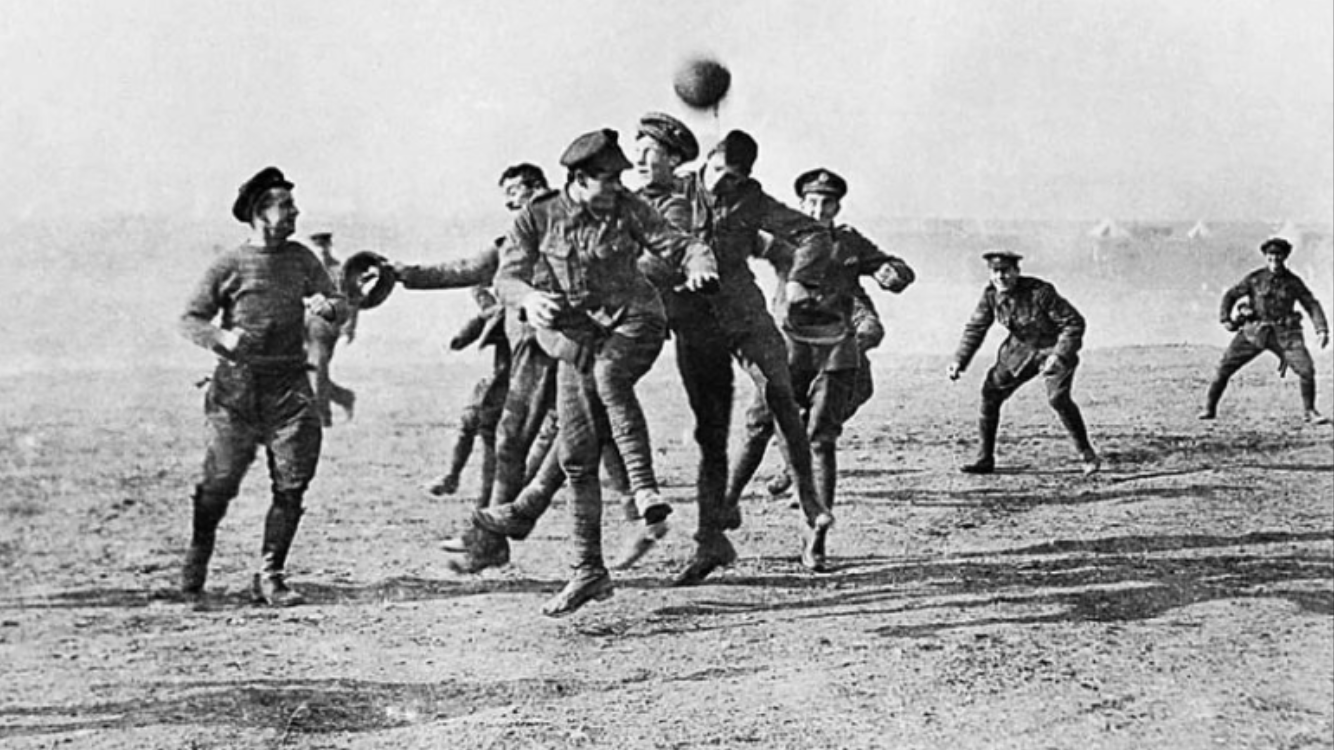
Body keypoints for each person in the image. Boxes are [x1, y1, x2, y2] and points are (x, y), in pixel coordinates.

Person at [493, 128, 718, 616]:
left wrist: (700, 265)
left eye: (620, 178)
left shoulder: (628, 208)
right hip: (578, 338)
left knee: (609, 377)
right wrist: (528, 299)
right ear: (578, 180)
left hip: (636, 322)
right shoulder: (537, 216)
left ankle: (644, 489)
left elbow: (680, 244)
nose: (618, 186)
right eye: (607, 179)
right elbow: (505, 277)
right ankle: (588, 571)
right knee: (577, 456)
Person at [669, 131, 836, 586]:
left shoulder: (752, 199)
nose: (722, 183)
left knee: (780, 394)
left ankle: (810, 502)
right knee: (712, 431)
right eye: (718, 172)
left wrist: (800, 278)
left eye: (734, 177)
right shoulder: (675, 190)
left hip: (743, 312)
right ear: (707, 160)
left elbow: (812, 233)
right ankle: (710, 541)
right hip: (694, 321)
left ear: (746, 177)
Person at [178, 166, 348, 606]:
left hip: (289, 387)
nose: (296, 213)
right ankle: (198, 554)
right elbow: (191, 319)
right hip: (235, 391)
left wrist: (327, 306)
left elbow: (339, 305)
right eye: (286, 206)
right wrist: (222, 337)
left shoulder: (302, 258)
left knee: (292, 482)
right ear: (260, 212)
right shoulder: (229, 264)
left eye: (294, 205)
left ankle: (270, 574)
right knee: (219, 483)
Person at [726, 169, 915, 565]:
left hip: (834, 351)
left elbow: (892, 267)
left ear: (837, 207)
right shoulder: (782, 239)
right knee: (759, 425)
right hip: (788, 348)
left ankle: (815, 540)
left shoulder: (848, 241)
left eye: (827, 203)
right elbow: (732, 245)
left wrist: (893, 274)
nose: (818, 209)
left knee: (821, 439)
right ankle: (726, 502)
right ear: (800, 205)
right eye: (811, 202)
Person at [947, 250, 1100, 476]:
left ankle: (1087, 455)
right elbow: (976, 328)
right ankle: (985, 459)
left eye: (1006, 271)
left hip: (1053, 345)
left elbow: (1073, 323)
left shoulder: (1040, 292)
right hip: (1020, 349)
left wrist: (1058, 355)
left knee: (1058, 399)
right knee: (990, 393)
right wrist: (959, 360)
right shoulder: (991, 296)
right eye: (995, 272)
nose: (1000, 277)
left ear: (1017, 272)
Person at [1199, 237, 1331, 424]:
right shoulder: (1255, 278)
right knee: (1224, 368)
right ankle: (1209, 408)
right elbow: (1231, 295)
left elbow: (1311, 304)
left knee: (1306, 370)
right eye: (1270, 255)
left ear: (1285, 257)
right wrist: (1225, 319)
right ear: (1266, 257)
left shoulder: (1293, 282)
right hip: (1253, 332)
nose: (1274, 259)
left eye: (1278, 255)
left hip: (1285, 335)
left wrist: (1322, 330)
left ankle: (1310, 411)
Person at [304, 231, 358, 427]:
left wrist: (348, 329)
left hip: (326, 328)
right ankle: (343, 397)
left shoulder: (340, 271)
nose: (321, 251)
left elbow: (352, 302)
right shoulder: (305, 271)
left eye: (324, 247)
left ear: (329, 246)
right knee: (306, 371)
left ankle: (322, 418)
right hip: (302, 327)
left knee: (317, 369)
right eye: (317, 247)